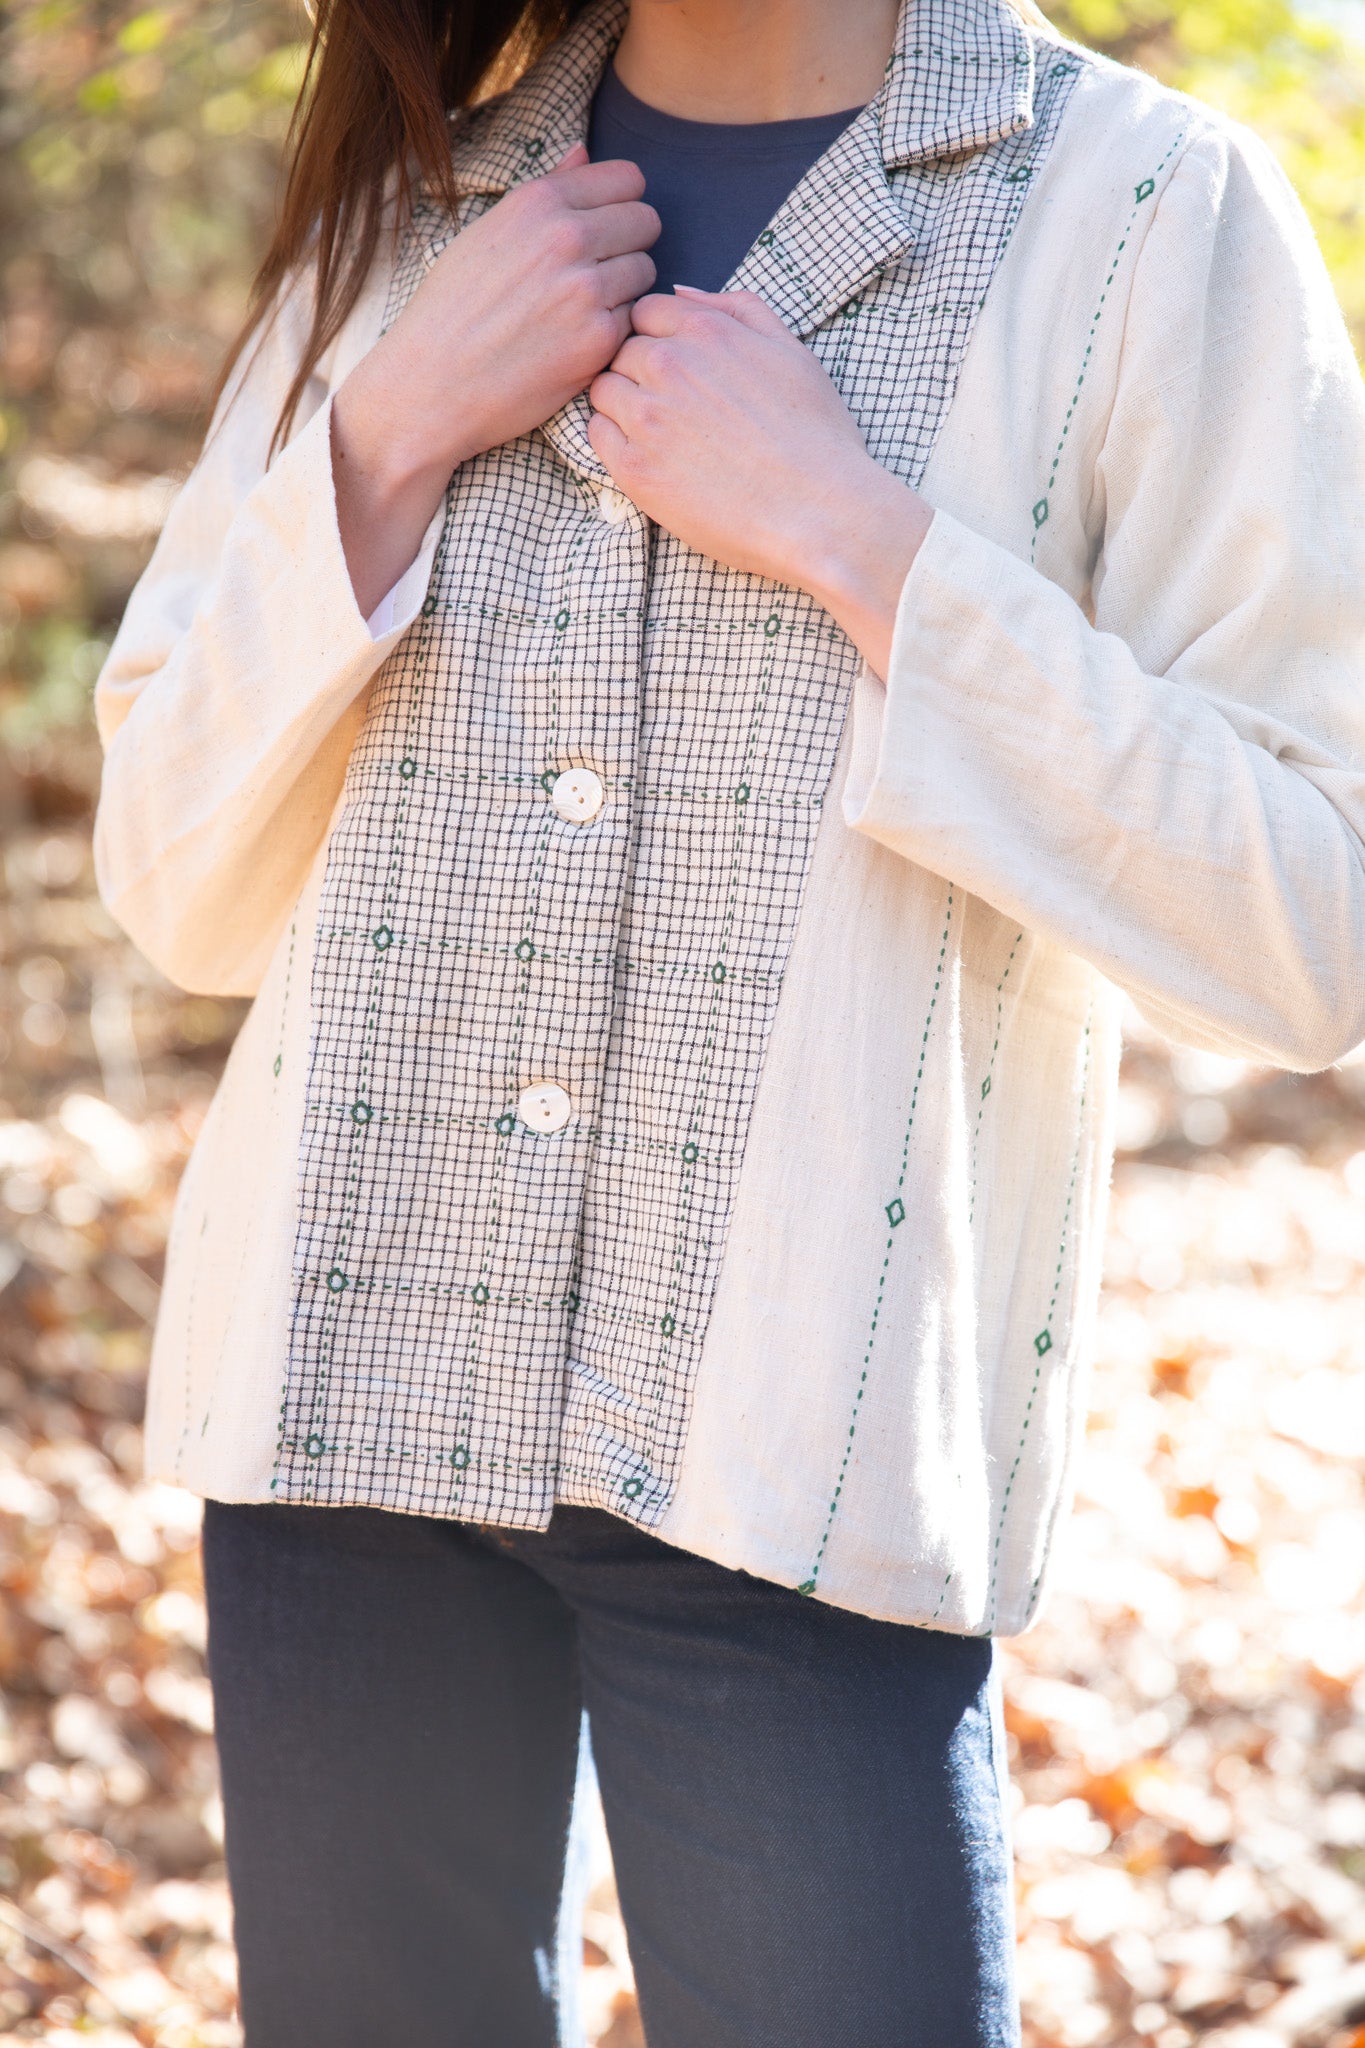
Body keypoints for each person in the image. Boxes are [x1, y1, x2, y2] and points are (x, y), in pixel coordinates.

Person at [92, 0, 1365, 2039]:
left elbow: (1311, 920)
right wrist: (381, 438)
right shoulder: (421, 205)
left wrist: (867, 549)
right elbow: (172, 876)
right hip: (341, 1403)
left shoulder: (1144, 213)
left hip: (793, 1451)